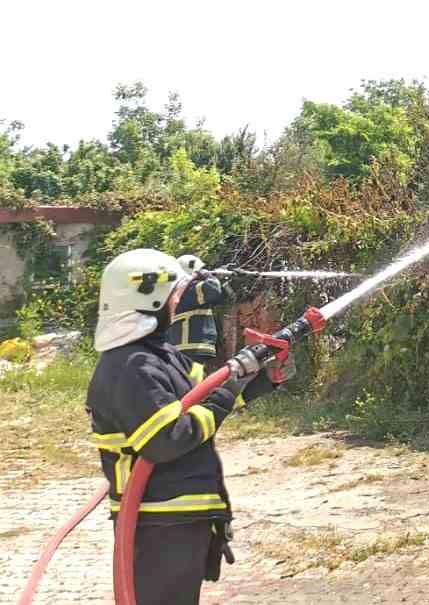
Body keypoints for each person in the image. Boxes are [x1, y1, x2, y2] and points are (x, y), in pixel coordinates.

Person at [87, 248, 289, 605]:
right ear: (147, 299)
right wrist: (224, 398)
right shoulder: (131, 366)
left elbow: (201, 394)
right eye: (174, 296)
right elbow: (167, 439)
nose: (177, 304)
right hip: (160, 523)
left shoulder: (156, 355)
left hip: (176, 517)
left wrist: (257, 379)